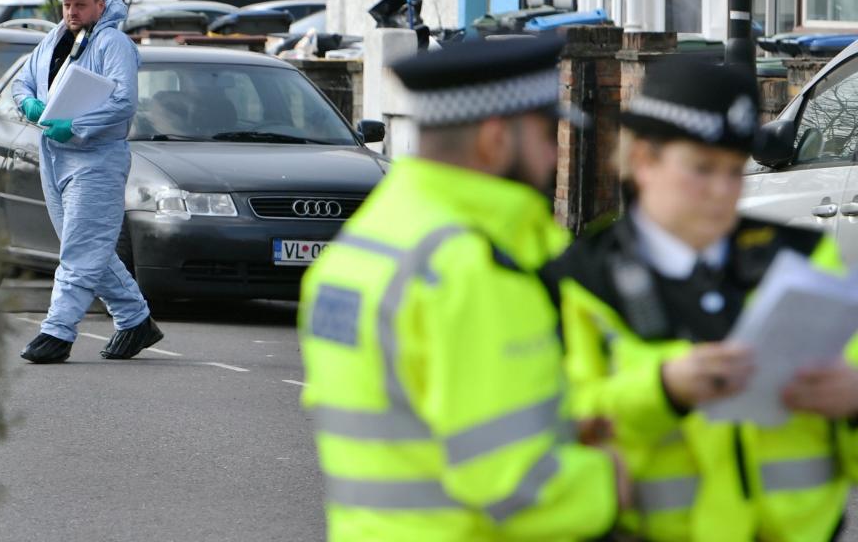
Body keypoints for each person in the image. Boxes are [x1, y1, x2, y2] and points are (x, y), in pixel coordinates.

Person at [298, 35, 630, 542]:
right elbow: (512, 482)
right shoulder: (471, 267)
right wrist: (616, 484)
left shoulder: (366, 245)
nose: (551, 157)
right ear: (494, 140)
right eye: (547, 134)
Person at [540, 57, 858, 541]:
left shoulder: (802, 259)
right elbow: (557, 423)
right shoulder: (582, 278)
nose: (721, 192)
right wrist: (663, 388)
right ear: (643, 160)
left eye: (733, 172)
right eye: (701, 169)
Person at [13, 0, 163, 363]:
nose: (72, 11)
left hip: (96, 157)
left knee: (80, 249)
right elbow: (22, 82)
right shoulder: (54, 38)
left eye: (80, 4)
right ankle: (135, 320)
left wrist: (75, 125)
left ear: (100, 4)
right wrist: (28, 104)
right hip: (53, 153)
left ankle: (57, 332)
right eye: (67, 4)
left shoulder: (114, 43)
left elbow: (123, 102)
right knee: (86, 246)